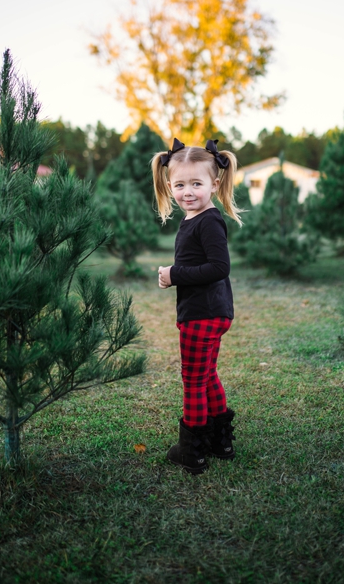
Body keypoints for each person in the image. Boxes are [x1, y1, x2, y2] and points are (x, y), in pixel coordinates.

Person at [151, 138, 241, 475]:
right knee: (206, 376)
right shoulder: (195, 219)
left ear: (214, 185)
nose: (188, 191)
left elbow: (220, 268)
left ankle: (193, 450)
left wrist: (174, 274)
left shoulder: (209, 220)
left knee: (193, 380)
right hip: (210, 312)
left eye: (196, 183)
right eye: (180, 184)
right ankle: (221, 441)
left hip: (202, 315)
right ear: (169, 184)